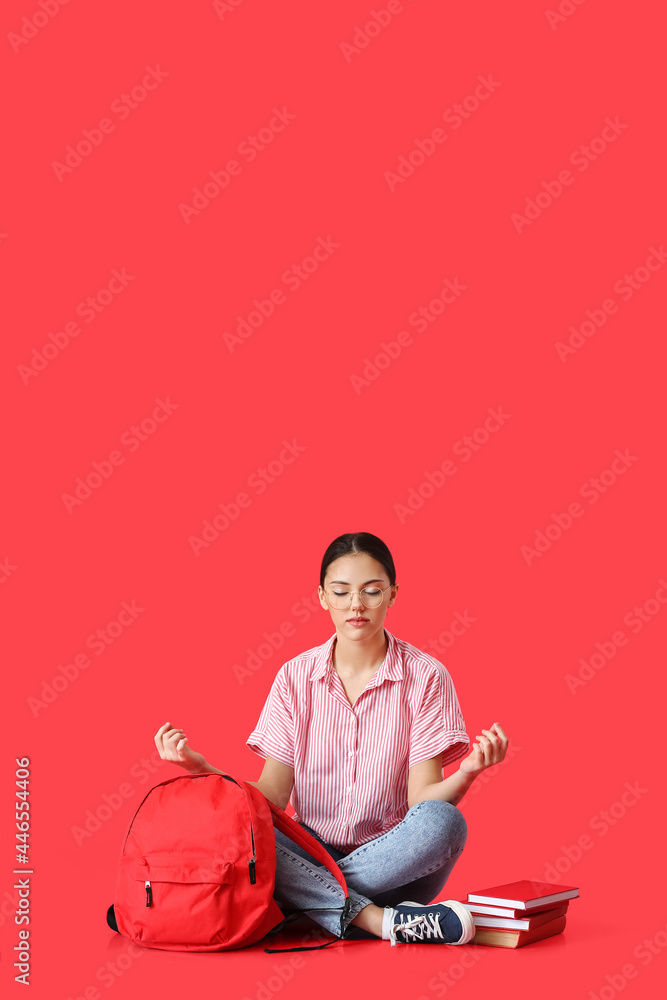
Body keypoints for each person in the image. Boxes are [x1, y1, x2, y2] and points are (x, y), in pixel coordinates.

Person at [154, 531, 510, 946]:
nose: (356, 605)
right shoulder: (294, 677)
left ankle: (303, 900)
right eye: (341, 592)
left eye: (372, 592)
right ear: (322, 597)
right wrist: (199, 769)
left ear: (393, 594)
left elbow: (422, 801)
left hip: (394, 865)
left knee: (444, 823)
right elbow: (269, 796)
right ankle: (381, 922)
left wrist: (468, 772)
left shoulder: (427, 676)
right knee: (232, 827)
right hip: (311, 848)